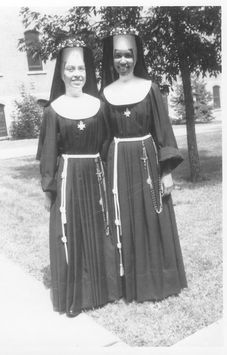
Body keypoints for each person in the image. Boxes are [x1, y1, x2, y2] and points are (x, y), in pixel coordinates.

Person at [100, 28, 187, 303]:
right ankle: (129, 283)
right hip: (118, 163)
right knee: (124, 217)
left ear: (136, 57)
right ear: (111, 59)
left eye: (128, 54)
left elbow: (163, 131)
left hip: (146, 158)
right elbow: (102, 136)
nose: (123, 60)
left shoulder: (150, 89)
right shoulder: (105, 94)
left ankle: (159, 279)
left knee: (152, 216)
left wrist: (167, 172)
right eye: (118, 55)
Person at [36, 38, 120, 317]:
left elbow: (106, 144)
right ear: (61, 73)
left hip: (95, 175)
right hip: (69, 177)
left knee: (98, 228)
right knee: (70, 232)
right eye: (70, 69)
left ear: (87, 72)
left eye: (81, 69)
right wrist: (48, 190)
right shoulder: (53, 110)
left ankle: (102, 290)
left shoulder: (98, 106)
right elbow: (48, 153)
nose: (76, 74)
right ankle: (78, 293)